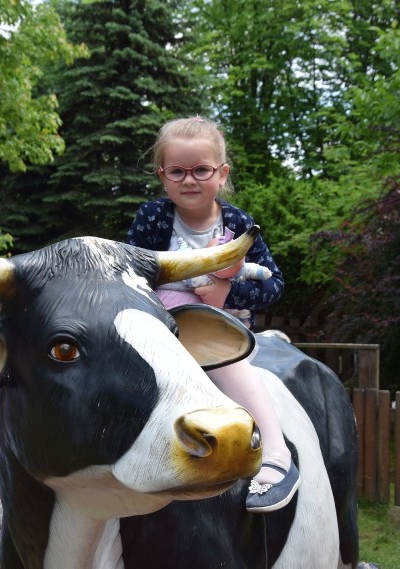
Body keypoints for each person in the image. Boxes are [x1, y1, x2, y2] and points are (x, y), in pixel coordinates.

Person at [127, 116, 298, 513]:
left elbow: (274, 284)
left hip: (224, 335)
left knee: (222, 357)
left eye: (201, 170)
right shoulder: (153, 217)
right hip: (167, 332)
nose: (189, 180)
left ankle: (276, 451)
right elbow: (131, 273)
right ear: (163, 176)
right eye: (177, 171)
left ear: (221, 174)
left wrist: (226, 290)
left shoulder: (238, 224)